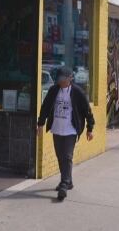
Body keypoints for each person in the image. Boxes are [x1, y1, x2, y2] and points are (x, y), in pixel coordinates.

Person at [37, 66, 95, 201]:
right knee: (60, 156)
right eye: (59, 78)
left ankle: (64, 184)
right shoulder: (53, 90)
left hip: (70, 130)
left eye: (63, 78)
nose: (60, 81)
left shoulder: (77, 92)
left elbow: (87, 111)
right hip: (57, 128)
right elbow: (45, 107)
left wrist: (90, 128)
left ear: (70, 78)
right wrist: (40, 124)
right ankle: (69, 182)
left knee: (67, 156)